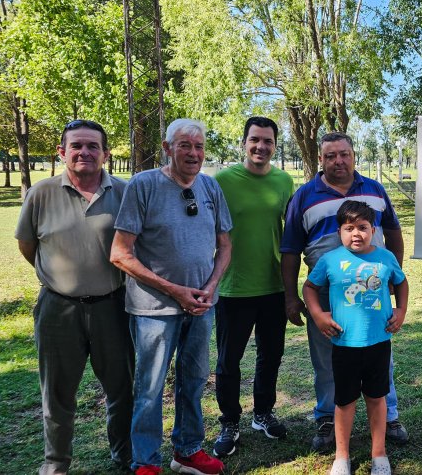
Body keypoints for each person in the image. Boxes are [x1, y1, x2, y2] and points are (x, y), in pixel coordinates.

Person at [110, 119, 232, 475]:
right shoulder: (144, 185)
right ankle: (145, 461)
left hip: (201, 307)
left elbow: (225, 245)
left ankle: (188, 450)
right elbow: (120, 253)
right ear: (167, 148)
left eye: (198, 146)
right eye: (184, 145)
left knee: (193, 381)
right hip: (154, 310)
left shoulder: (210, 187)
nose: (193, 153)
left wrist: (210, 287)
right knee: (149, 388)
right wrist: (175, 290)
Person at [15, 119, 134, 475]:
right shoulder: (42, 193)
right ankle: (56, 463)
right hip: (58, 309)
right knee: (57, 393)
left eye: (93, 146)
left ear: (106, 153)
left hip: (112, 306)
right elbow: (28, 245)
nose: (85, 152)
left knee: (121, 389)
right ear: (62, 151)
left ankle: (124, 454)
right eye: (77, 146)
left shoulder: (124, 192)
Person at [280, 132, 408, 452]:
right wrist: (291, 296)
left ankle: (388, 414)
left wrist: (392, 277)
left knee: (380, 354)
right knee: (327, 361)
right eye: (331, 155)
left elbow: (393, 231)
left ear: (353, 156)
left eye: (344, 154)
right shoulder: (304, 196)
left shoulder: (375, 191)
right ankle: (326, 416)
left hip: (372, 291)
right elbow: (291, 249)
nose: (338, 161)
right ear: (321, 159)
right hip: (325, 295)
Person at [302, 200, 408, 475]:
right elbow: (310, 287)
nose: (356, 234)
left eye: (363, 227)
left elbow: (401, 282)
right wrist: (318, 315)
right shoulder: (330, 261)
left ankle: (379, 455)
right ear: (340, 232)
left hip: (378, 343)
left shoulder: (385, 258)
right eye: (349, 228)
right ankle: (341, 457)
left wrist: (401, 310)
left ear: (373, 229)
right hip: (344, 345)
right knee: (344, 402)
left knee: (377, 398)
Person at [210, 117, 295, 458]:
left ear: (275, 145)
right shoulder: (222, 181)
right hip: (232, 287)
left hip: (273, 285)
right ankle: (230, 422)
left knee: (271, 355)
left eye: (268, 141)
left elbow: (292, 232)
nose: (261, 146)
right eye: (255, 140)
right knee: (229, 361)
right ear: (244, 143)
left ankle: (263, 413)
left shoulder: (284, 181)